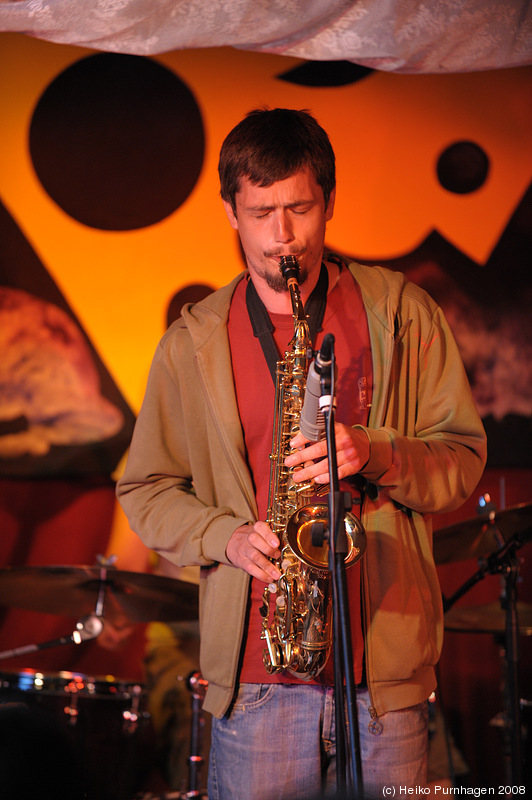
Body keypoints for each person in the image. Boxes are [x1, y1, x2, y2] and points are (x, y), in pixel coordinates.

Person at [116, 107, 487, 799]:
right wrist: (222, 538)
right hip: (260, 678)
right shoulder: (191, 342)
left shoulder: (403, 313)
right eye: (261, 213)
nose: (281, 236)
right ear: (230, 210)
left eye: (299, 208)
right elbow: (145, 489)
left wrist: (375, 451)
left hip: (386, 681)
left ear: (330, 202)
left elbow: (461, 462)